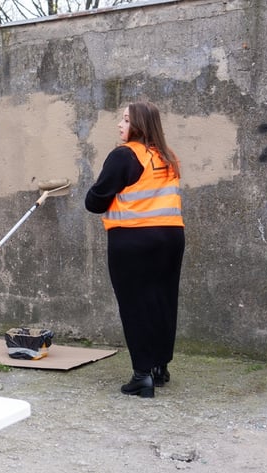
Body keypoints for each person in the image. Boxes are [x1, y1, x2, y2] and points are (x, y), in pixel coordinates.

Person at [85, 101, 184, 398]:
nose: (119, 124)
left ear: (138, 126)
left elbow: (95, 201)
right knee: (163, 302)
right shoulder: (169, 158)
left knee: (135, 306)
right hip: (171, 237)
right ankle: (159, 367)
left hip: (133, 240)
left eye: (125, 120)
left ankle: (142, 375)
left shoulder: (124, 155)